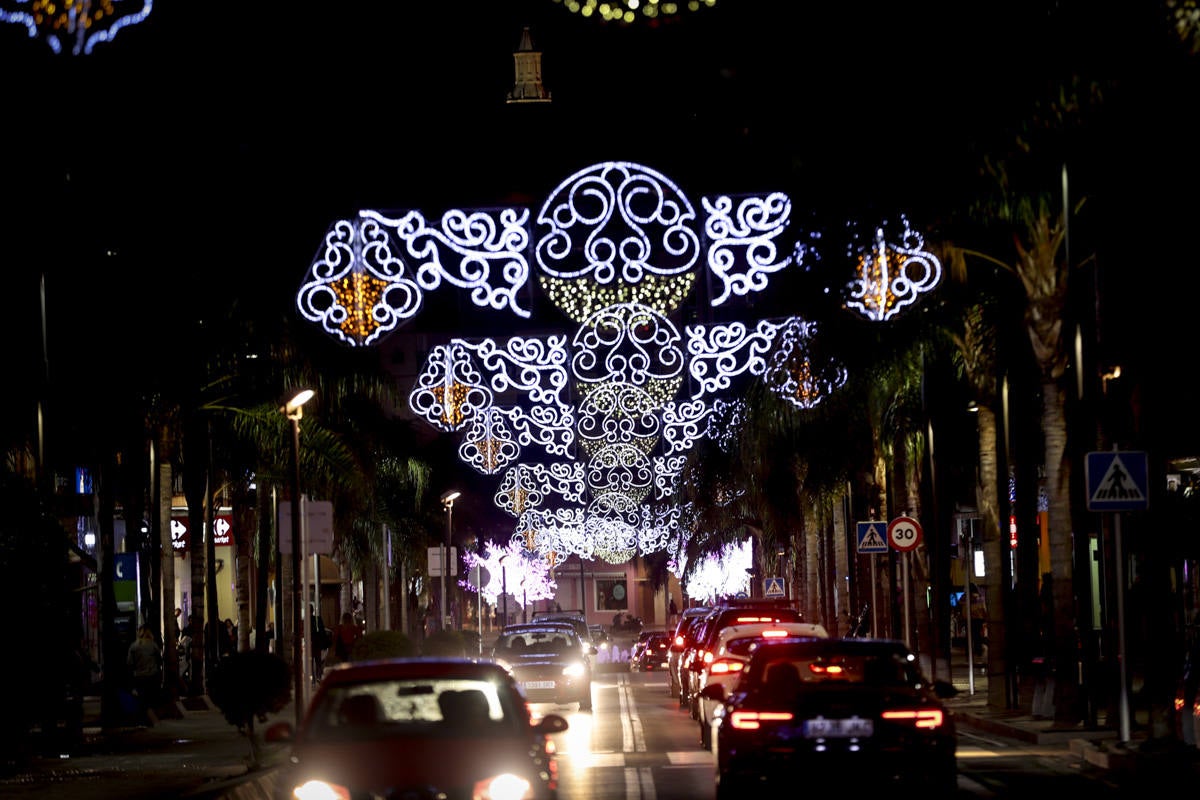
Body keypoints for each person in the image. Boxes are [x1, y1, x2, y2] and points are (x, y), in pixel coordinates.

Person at [127, 625, 162, 722]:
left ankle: (143, 717)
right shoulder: (153, 645)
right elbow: (159, 660)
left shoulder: (134, 646)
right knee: (151, 698)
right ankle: (152, 718)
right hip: (152, 676)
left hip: (139, 677)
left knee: (142, 699)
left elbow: (129, 663)